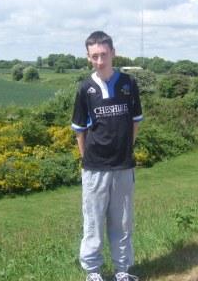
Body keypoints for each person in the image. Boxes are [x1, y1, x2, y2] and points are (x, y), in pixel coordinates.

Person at [71, 31, 143, 281]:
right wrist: (87, 160)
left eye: (104, 55)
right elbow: (79, 130)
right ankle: (93, 272)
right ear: (88, 57)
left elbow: (135, 122)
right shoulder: (85, 89)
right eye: (94, 56)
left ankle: (122, 270)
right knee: (93, 222)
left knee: (122, 222)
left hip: (124, 166)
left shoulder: (128, 84)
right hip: (95, 168)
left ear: (113, 53)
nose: (100, 61)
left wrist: (125, 149)